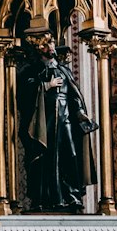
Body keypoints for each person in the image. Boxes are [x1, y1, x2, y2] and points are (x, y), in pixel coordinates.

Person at [17, 33, 98, 211]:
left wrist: (80, 113)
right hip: (44, 123)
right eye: (46, 45)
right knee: (47, 158)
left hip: (65, 119)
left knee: (70, 155)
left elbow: (74, 95)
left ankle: (71, 196)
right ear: (40, 49)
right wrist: (46, 85)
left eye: (52, 43)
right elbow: (23, 95)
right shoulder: (32, 71)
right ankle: (45, 198)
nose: (51, 47)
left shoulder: (64, 71)